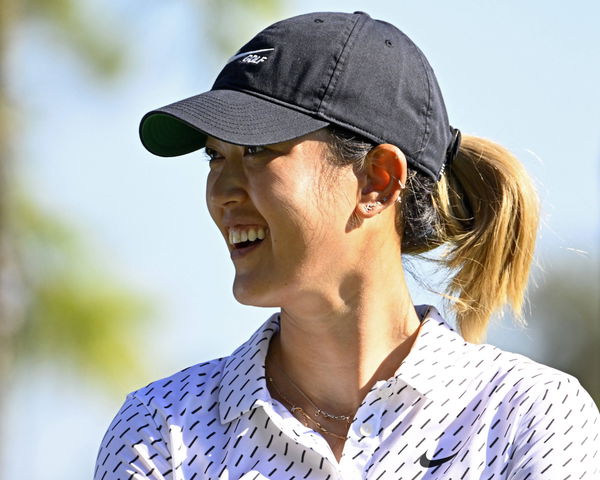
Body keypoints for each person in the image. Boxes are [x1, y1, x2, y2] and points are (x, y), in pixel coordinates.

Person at [94, 11, 599, 480]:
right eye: (214, 157)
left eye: (254, 150)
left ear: (377, 182)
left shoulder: (529, 416)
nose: (221, 192)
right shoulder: (160, 429)